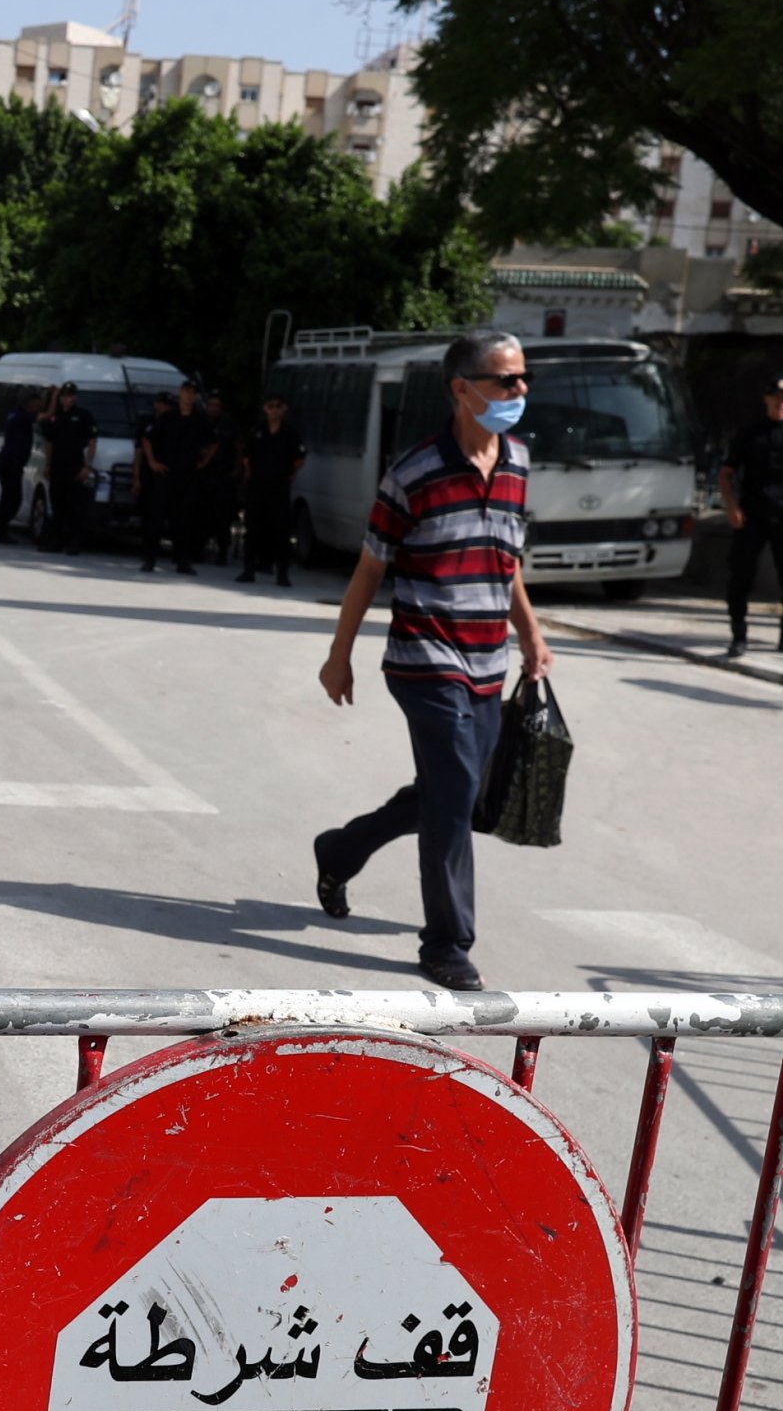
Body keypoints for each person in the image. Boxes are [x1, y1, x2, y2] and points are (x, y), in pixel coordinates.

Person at [313, 328, 554, 994]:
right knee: (452, 796)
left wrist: (530, 636)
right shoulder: (413, 473)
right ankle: (446, 942)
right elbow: (369, 570)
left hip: (487, 660)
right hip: (424, 659)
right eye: (507, 381)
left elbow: (506, 565)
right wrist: (340, 656)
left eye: (523, 378)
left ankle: (341, 849)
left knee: (459, 794)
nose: (520, 392)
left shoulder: (518, 463)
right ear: (462, 388)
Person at [717, 377, 783, 661]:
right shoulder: (750, 433)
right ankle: (739, 637)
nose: (781, 402)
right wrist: (732, 506)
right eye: (776, 397)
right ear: (766, 400)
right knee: (741, 576)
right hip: (753, 514)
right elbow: (726, 474)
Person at [137, 376, 210, 575]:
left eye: (192, 392)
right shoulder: (168, 417)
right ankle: (150, 559)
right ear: (180, 393)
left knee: (185, 520)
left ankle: (182, 561)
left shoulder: (200, 418)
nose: (189, 395)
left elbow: (214, 441)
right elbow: (147, 439)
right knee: (157, 518)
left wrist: (204, 461)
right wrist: (152, 462)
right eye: (186, 391)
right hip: (166, 475)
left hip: (188, 477)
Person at [240, 392, 305, 586]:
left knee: (281, 530)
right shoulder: (257, 431)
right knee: (252, 528)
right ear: (265, 409)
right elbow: (246, 457)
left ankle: (282, 573)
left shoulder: (290, 433)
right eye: (270, 406)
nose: (274, 410)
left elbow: (300, 459)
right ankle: (248, 570)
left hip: (279, 487)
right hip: (257, 486)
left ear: (284, 409)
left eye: (278, 406)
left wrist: (290, 472)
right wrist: (249, 475)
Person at [41, 382, 98, 554]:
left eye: (71, 395)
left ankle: (74, 544)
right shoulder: (55, 416)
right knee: (57, 505)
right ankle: (55, 542)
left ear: (75, 397)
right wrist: (48, 464)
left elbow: (92, 441)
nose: (67, 399)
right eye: (64, 395)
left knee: (75, 507)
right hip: (57, 466)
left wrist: (87, 466)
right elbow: (49, 442)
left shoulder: (83, 415)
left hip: (75, 466)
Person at [195, 388, 240, 564]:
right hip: (203, 474)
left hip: (223, 475)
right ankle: (198, 549)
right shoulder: (199, 421)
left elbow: (238, 447)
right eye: (211, 404)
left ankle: (222, 552)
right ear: (206, 405)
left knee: (223, 516)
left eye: (217, 405)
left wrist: (236, 471)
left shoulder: (227, 424)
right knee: (201, 514)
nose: (214, 408)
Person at [0, 390, 37, 542]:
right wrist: (54, 399)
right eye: (39, 402)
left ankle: (0, 529)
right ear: (31, 403)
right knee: (13, 498)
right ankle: (1, 530)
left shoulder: (15, 413)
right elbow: (45, 416)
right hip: (12, 462)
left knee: (8, 496)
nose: (40, 405)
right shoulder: (24, 416)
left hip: (7, 461)